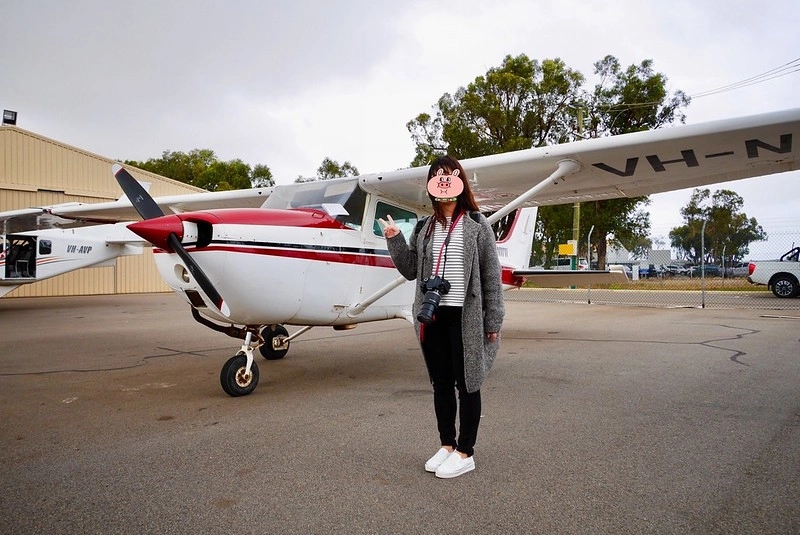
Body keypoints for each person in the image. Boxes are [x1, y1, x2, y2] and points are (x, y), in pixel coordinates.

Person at [378, 155, 505, 479]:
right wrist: (394, 238)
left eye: (448, 173)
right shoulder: (424, 228)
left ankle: (466, 452)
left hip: (466, 316)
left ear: (458, 180)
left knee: (468, 384)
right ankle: (447, 444)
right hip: (433, 316)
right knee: (441, 384)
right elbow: (410, 270)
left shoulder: (477, 225)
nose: (442, 178)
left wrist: (493, 321)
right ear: (431, 185)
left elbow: (491, 276)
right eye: (436, 174)